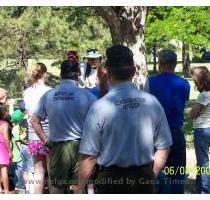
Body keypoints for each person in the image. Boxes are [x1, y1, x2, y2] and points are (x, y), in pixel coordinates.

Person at [73, 45, 172, 194]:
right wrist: (151, 176)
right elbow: (164, 146)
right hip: (143, 178)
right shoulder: (152, 102)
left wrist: (79, 188)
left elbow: (89, 156)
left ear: (107, 72)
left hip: (110, 182)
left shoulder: (99, 107)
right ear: (133, 71)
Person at [31, 60, 97, 193]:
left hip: (57, 146)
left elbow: (34, 121)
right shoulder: (87, 96)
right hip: (81, 147)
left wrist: (46, 141)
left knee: (57, 187)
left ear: (61, 74)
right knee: (78, 188)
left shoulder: (48, 95)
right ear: (78, 74)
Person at [146, 49, 190, 194]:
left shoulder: (150, 82)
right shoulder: (184, 84)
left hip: (156, 134)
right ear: (175, 64)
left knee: (155, 175)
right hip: (176, 132)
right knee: (177, 176)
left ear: (160, 63)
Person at [23, 63, 51, 193]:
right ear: (45, 74)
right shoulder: (49, 91)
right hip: (48, 136)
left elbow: (29, 114)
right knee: (52, 173)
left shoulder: (26, 92)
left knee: (38, 171)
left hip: (33, 136)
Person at [190, 66, 210, 194]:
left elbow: (194, 113)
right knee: (201, 161)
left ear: (201, 81)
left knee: (203, 162)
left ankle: (205, 191)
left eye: (195, 80)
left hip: (202, 130)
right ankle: (199, 188)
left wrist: (191, 111)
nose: (194, 83)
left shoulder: (203, 96)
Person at [0, 102, 13, 193]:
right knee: (4, 169)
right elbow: (6, 138)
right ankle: (7, 191)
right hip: (1, 147)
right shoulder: (4, 123)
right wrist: (9, 151)